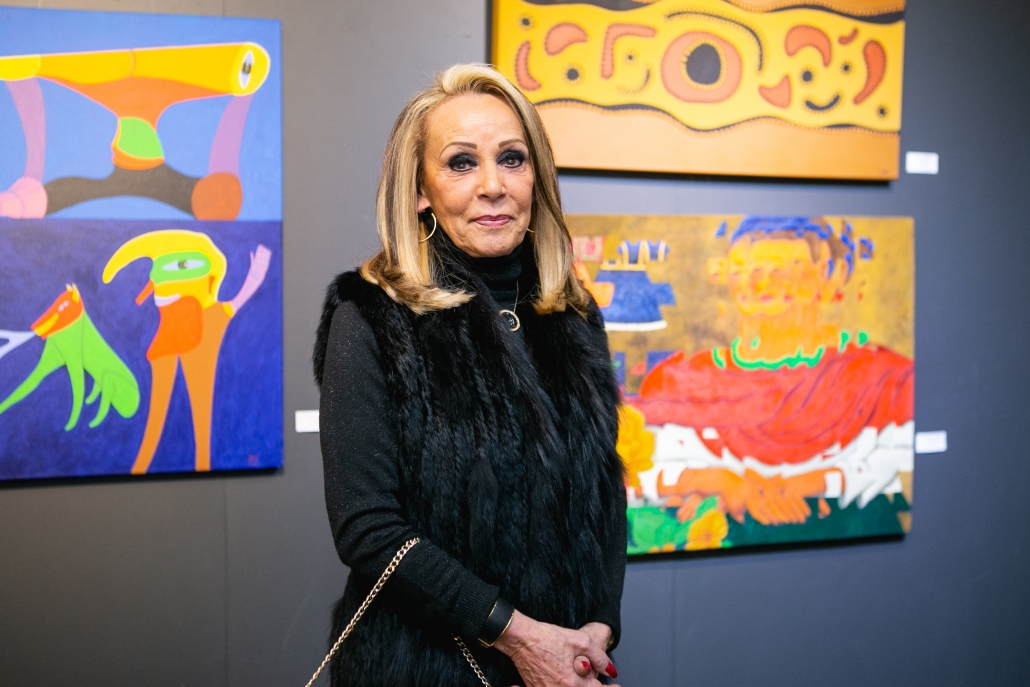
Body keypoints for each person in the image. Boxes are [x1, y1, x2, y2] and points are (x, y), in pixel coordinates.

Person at [313, 64, 627, 687]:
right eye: (461, 163)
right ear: (420, 191)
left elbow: (604, 494)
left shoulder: (572, 313)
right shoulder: (371, 316)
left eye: (512, 159)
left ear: (537, 178)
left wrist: (600, 626)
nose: (492, 186)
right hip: (422, 670)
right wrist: (521, 636)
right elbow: (369, 531)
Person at [630, 217, 913, 529]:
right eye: (742, 271)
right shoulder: (682, 381)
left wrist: (814, 483)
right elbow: (631, 473)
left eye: (780, 270)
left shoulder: (880, 377)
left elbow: (902, 467)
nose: (758, 284)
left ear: (827, 274)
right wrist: (714, 480)